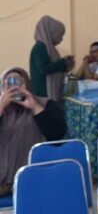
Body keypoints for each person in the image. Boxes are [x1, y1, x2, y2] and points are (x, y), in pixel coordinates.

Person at [0, 67, 67, 198]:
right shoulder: (2, 107)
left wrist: (35, 107)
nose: (14, 87)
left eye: (18, 81)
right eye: (9, 82)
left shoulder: (45, 104)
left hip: (31, 174)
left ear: (27, 83)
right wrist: (1, 106)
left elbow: (57, 134)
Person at [29, 15, 75, 101]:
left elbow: (53, 66)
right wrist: (63, 62)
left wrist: (66, 65)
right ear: (51, 33)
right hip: (42, 92)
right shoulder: (40, 47)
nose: (61, 39)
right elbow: (44, 69)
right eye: (60, 35)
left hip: (46, 90)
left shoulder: (50, 48)